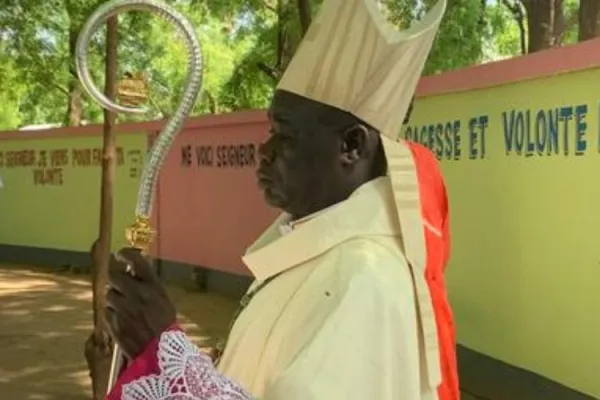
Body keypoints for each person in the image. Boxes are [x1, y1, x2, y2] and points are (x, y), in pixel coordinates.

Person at [104, 0, 458, 399]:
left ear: (351, 145)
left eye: (286, 135)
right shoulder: (313, 253)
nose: (265, 150)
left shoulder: (366, 278)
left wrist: (166, 356)